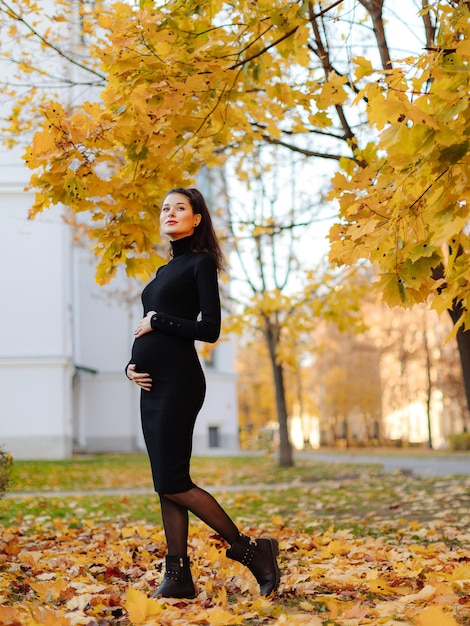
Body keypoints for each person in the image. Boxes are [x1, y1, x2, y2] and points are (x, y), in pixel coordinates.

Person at [125, 187, 280, 599]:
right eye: (164, 208)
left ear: (196, 219)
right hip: (152, 385)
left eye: (180, 208)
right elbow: (147, 329)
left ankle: (252, 551)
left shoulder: (200, 264)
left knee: (174, 480)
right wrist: (130, 366)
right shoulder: (160, 273)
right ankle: (178, 577)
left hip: (180, 382)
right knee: (165, 481)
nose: (170, 213)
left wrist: (159, 320)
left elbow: (209, 330)